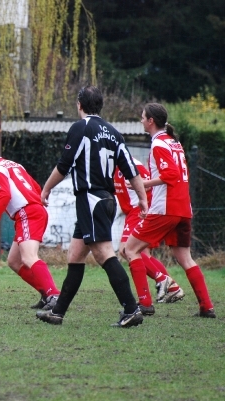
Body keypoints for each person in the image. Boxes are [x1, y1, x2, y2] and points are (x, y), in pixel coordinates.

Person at [36, 85, 148, 328]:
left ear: (79, 104)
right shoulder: (114, 133)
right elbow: (131, 169)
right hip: (107, 200)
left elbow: (64, 164)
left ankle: (131, 309)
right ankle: (58, 312)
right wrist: (143, 198)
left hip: (91, 199)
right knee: (75, 255)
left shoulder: (81, 128)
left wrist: (46, 189)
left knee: (103, 253)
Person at [124, 103, 216, 318]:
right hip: (183, 208)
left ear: (151, 121)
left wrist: (143, 184)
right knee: (185, 258)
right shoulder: (174, 143)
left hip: (166, 208)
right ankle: (206, 307)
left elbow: (170, 175)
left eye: (142, 117)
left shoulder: (158, 145)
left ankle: (144, 304)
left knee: (130, 250)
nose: (140, 121)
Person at [0, 132, 61, 310]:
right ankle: (46, 294)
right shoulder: (12, 164)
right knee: (14, 261)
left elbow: (3, 195)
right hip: (31, 212)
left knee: (29, 257)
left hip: (28, 213)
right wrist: (39, 199)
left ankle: (54, 296)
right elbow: (34, 185)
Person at [114, 159, 185, 316]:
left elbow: (149, 184)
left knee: (126, 250)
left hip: (139, 211)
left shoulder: (132, 164)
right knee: (142, 255)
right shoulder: (111, 165)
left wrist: (146, 208)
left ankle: (163, 282)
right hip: (133, 212)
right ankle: (168, 290)